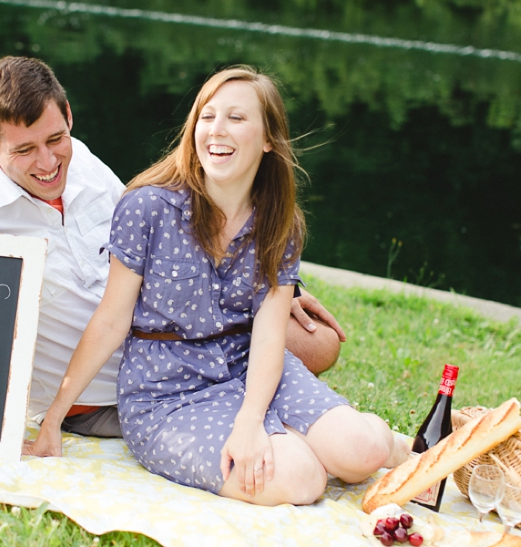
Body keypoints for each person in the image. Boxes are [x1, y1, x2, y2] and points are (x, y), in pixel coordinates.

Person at [0, 56, 344, 441]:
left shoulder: (84, 161)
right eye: (25, 150)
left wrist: (274, 282)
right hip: (100, 393)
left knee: (318, 341)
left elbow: (162, 230)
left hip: (168, 335)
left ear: (68, 116)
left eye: (56, 139)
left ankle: (261, 399)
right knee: (277, 440)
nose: (49, 161)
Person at [27, 65, 408, 505]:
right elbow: (110, 321)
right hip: (167, 395)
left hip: (249, 368)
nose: (216, 130)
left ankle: (395, 443)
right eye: (207, 117)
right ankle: (303, 446)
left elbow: (269, 336)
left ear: (268, 139)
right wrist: (53, 418)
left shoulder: (280, 223)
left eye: (236, 118)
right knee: (301, 479)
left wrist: (250, 421)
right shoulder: (147, 207)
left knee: (364, 452)